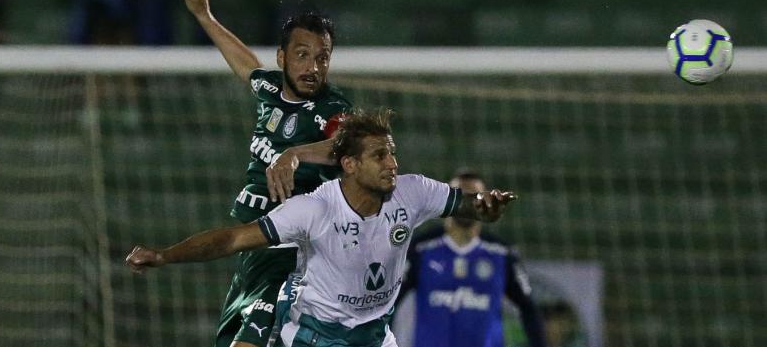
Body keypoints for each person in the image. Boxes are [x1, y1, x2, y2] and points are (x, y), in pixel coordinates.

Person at [126, 109, 517, 347]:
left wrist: (487, 208)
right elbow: (232, 238)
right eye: (380, 156)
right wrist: (164, 256)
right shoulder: (315, 209)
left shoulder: (412, 192)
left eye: (393, 153)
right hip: (317, 335)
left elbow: (471, 207)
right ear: (350, 164)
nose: (392, 164)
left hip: (375, 335)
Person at [179, 0, 353, 347]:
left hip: (293, 253)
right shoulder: (270, 89)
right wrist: (204, 15)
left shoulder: (332, 107)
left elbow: (346, 146)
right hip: (253, 252)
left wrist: (295, 154)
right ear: (282, 58)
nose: (313, 67)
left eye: (323, 57)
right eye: (303, 55)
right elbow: (246, 67)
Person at [396, 170, 546, 347]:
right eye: (460, 196)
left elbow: (528, 308)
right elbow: (390, 302)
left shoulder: (502, 253)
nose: (467, 203)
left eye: (476, 196)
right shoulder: (420, 249)